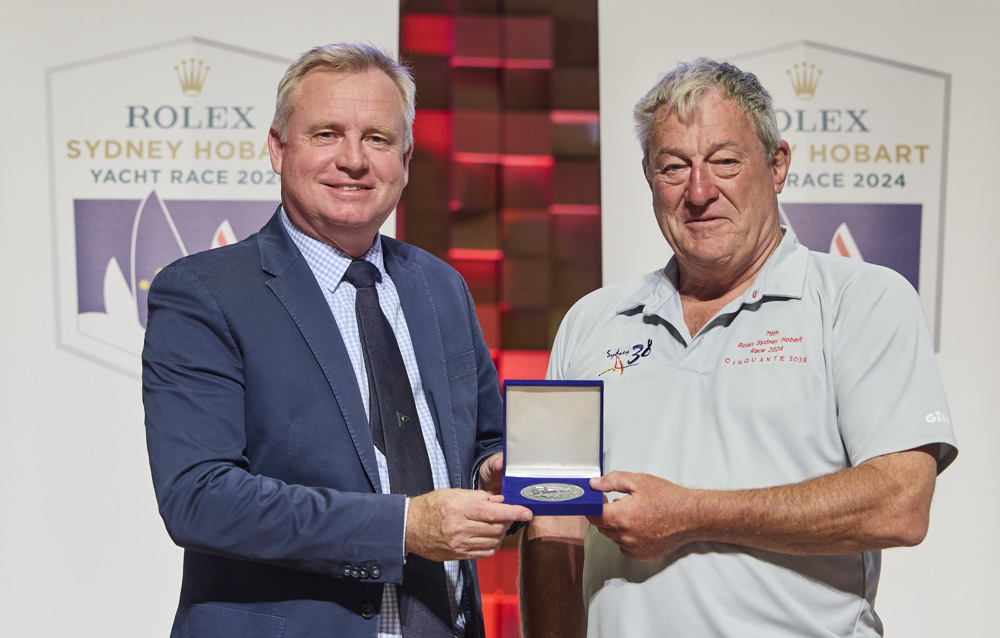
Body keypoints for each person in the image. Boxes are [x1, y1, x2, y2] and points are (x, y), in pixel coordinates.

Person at [519, 58, 957, 637]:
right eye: (674, 167)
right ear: (649, 178)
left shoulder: (862, 299)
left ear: (777, 166)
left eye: (724, 161)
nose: (700, 191)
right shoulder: (590, 321)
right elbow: (551, 520)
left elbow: (900, 502)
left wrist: (692, 515)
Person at [142, 43, 531, 638]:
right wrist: (402, 527)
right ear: (278, 148)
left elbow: (480, 438)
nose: (353, 160)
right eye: (326, 134)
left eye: (377, 138)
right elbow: (200, 498)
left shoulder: (440, 287)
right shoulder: (202, 293)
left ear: (405, 157)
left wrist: (492, 472)